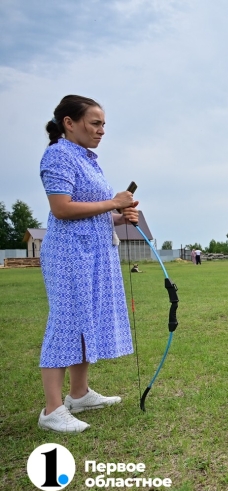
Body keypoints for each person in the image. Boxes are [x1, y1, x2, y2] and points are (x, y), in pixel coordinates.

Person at [37, 95, 140, 433]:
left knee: (87, 320)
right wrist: (113, 201)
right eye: (95, 123)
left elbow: (90, 213)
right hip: (69, 255)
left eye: (103, 124)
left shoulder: (86, 159)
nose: (102, 130)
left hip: (94, 251)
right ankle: (53, 409)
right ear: (70, 123)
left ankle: (78, 395)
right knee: (65, 322)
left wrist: (118, 216)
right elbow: (62, 208)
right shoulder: (58, 155)